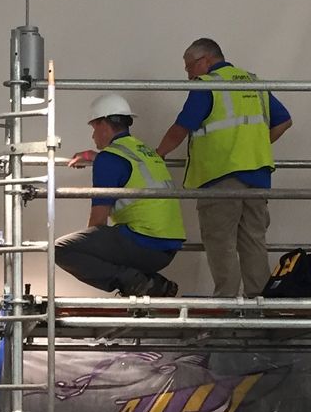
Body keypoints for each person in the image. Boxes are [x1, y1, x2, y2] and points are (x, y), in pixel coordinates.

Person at [154, 37, 291, 296]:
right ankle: (259, 304)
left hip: (220, 176)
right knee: (254, 241)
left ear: (204, 60)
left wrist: (159, 153)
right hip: (258, 178)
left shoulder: (208, 85)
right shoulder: (253, 82)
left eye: (188, 68)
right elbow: (284, 121)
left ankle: (226, 303)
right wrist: (254, 147)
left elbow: (182, 127)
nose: (188, 76)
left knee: (221, 242)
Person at [58, 94, 185, 297]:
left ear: (104, 126)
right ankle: (151, 283)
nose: (93, 136)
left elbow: (98, 222)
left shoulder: (109, 159)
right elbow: (126, 168)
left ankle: (136, 281)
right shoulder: (144, 151)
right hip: (168, 246)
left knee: (61, 249)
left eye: (93, 128)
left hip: (143, 241)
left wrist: (93, 252)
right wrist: (93, 156)